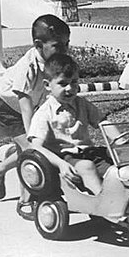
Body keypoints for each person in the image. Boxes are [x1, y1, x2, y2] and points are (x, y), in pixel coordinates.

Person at [0, 14, 71, 220]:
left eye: (67, 44)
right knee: (32, 151)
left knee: (37, 147)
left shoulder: (54, 62)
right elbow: (25, 109)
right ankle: (27, 200)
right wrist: (34, 139)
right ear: (38, 45)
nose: (65, 50)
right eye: (58, 45)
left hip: (29, 105)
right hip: (7, 106)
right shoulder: (28, 67)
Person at [28, 54, 115, 196]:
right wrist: (61, 164)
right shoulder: (44, 113)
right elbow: (36, 146)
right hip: (66, 157)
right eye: (63, 83)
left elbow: (102, 123)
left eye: (74, 82)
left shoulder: (82, 104)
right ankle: (103, 202)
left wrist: (120, 140)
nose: (69, 88)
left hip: (89, 153)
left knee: (118, 167)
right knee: (87, 167)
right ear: (47, 85)